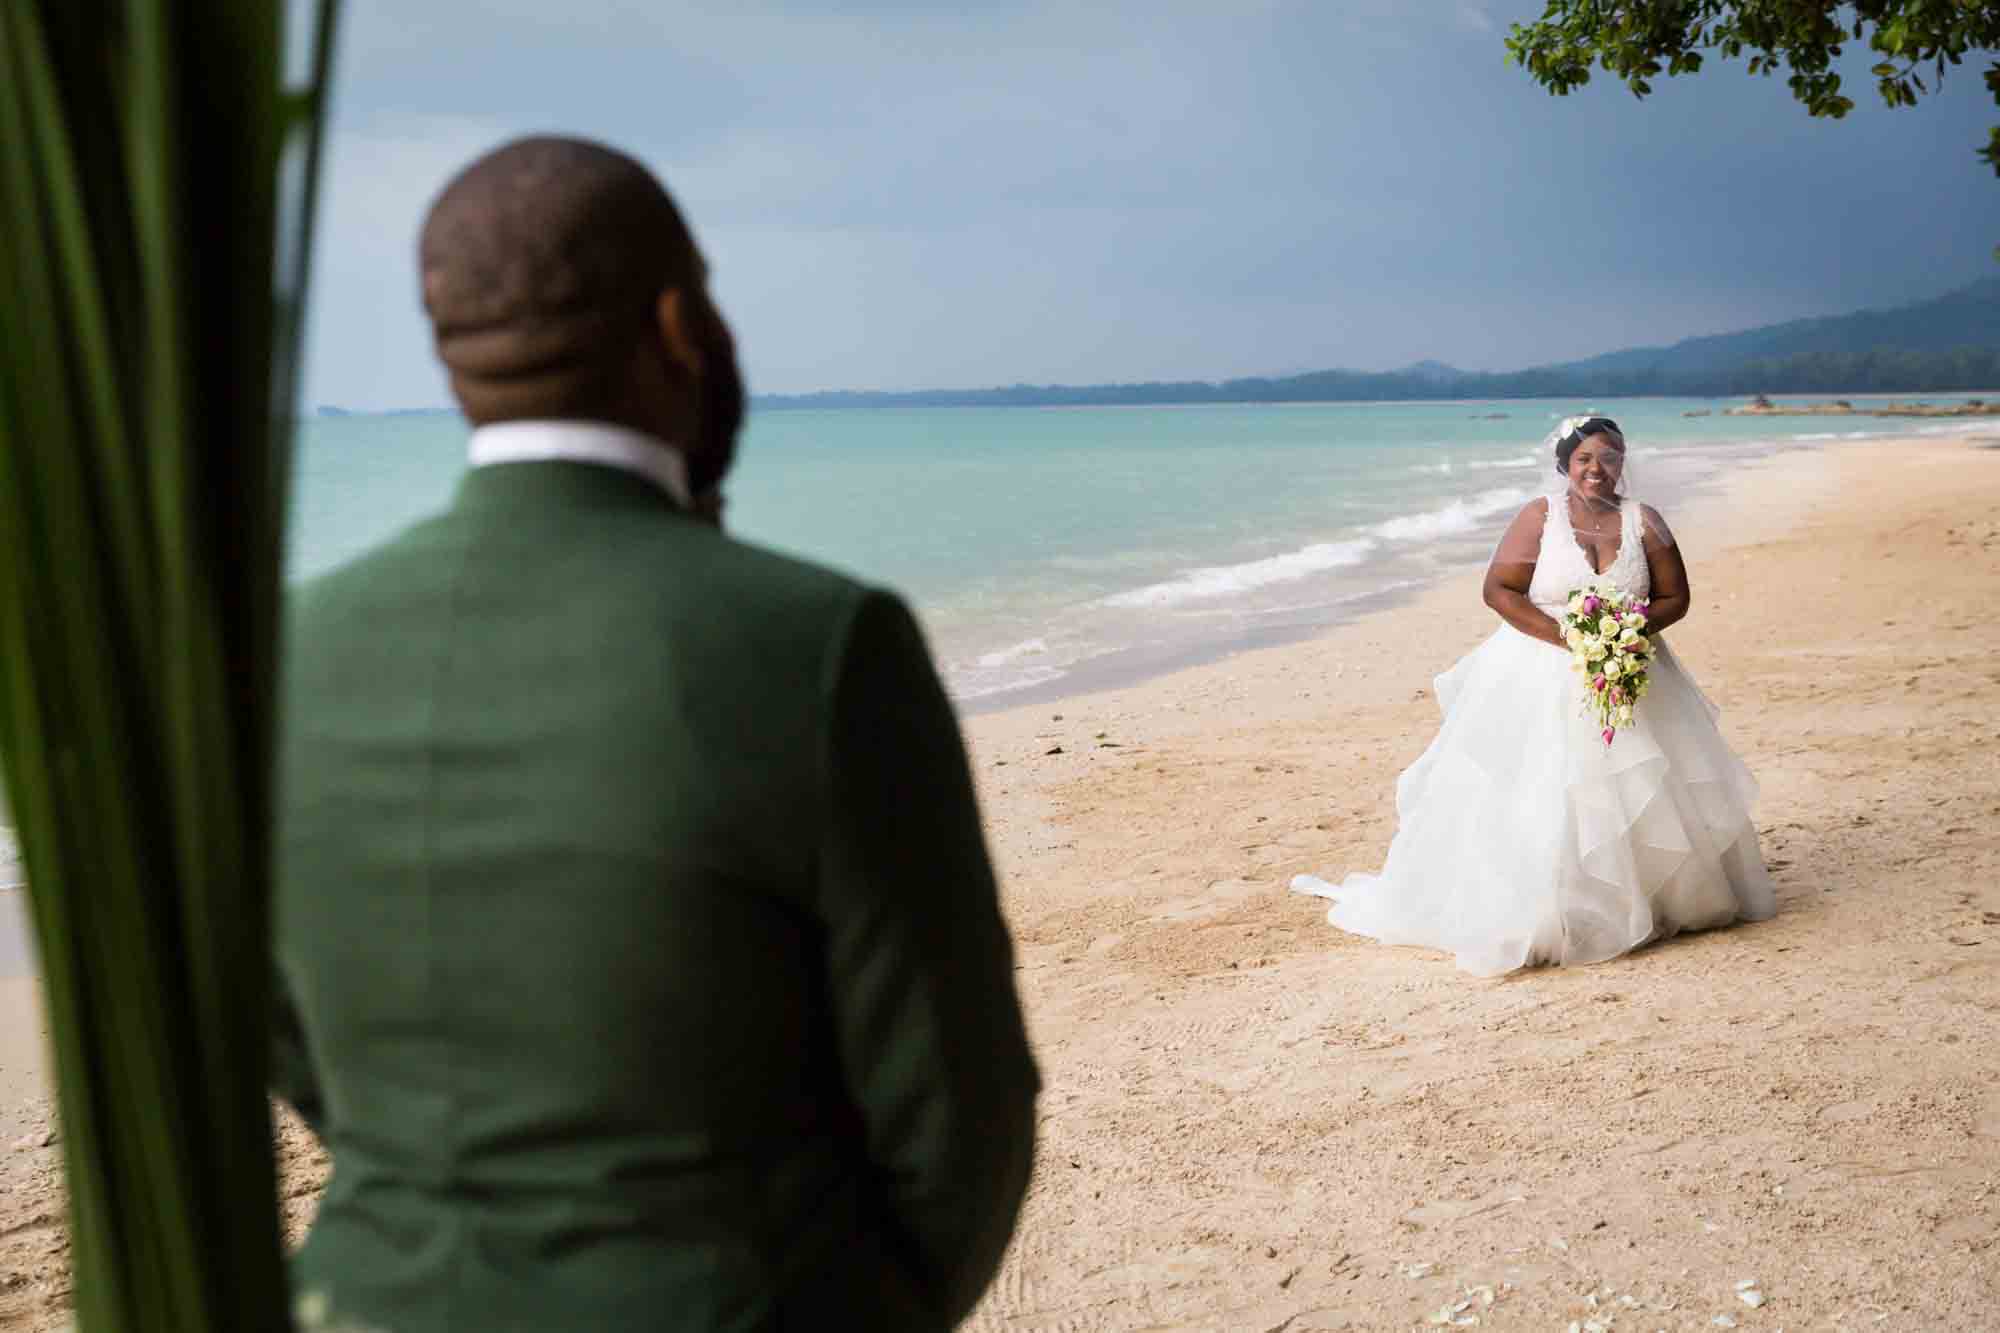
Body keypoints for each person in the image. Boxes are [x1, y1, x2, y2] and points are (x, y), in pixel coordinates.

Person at [272, 136, 1039, 1331]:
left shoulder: (285, 653)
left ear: (449, 349)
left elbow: (297, 1048)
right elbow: (955, 1107)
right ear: (683, 326)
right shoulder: (822, 642)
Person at [1292, 416, 1776, 976]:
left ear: (1623, 463)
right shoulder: (1539, 518)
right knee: (1545, 785)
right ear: (1565, 465)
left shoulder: (1644, 522)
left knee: (1639, 781)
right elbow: (1498, 590)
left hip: (1629, 669)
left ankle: (1647, 899)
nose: (1597, 470)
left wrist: (1625, 632)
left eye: (1609, 458)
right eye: (1584, 460)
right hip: (1537, 666)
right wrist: (1572, 640)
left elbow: (1676, 597)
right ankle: (1553, 911)